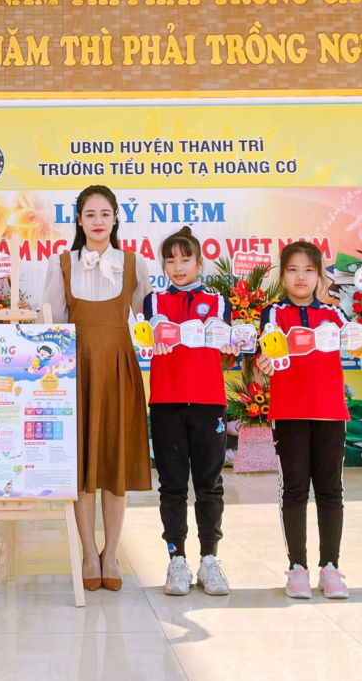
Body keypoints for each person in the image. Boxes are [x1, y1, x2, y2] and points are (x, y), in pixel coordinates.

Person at [255, 241, 362, 600]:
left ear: (319, 276)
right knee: (295, 490)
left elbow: (359, 345)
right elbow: (266, 351)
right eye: (293, 270)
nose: (301, 277)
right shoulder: (273, 313)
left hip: (331, 412)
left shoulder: (333, 314)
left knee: (331, 491)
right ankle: (297, 569)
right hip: (289, 413)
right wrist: (264, 363)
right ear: (283, 275)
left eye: (308, 270)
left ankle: (330, 568)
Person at [43, 184, 152, 591]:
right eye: (90, 214)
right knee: (82, 465)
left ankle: (112, 553)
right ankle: (89, 551)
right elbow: (50, 324)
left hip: (120, 370)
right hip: (77, 372)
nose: (98, 221)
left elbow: (147, 321)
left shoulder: (134, 263)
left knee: (114, 462)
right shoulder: (62, 263)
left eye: (105, 213)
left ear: (116, 218)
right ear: (78, 220)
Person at [143, 226, 234, 596]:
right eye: (170, 260)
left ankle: (209, 560)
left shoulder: (217, 301)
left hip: (209, 402)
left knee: (209, 485)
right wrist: (156, 333)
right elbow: (151, 331)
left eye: (185, 259)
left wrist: (230, 341)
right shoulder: (154, 300)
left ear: (199, 261)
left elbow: (225, 339)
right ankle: (176, 560)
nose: (178, 267)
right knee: (172, 486)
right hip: (166, 402)